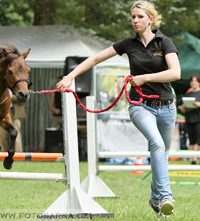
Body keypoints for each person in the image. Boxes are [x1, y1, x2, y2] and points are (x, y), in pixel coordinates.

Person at [56, 1, 180, 217]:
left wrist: (145, 77)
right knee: (157, 144)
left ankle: (155, 199)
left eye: (140, 16)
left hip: (167, 107)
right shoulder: (128, 44)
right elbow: (95, 58)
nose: (135, 20)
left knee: (161, 152)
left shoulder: (164, 42)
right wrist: (70, 76)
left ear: (150, 19)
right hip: (141, 106)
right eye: (133, 17)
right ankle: (166, 197)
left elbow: (175, 73)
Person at [181, 74, 200, 164]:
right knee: (191, 139)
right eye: (192, 81)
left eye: (195, 81)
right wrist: (184, 107)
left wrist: (198, 104)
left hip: (198, 119)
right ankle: (193, 159)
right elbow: (182, 110)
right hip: (189, 119)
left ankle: (196, 158)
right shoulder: (187, 94)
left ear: (199, 83)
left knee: (198, 139)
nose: (193, 83)